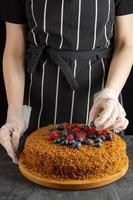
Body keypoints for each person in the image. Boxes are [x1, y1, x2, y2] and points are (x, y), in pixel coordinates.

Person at [0, 0, 133, 164]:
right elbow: (14, 51)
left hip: (100, 94)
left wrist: (110, 93)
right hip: (39, 96)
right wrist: (14, 111)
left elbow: (126, 44)